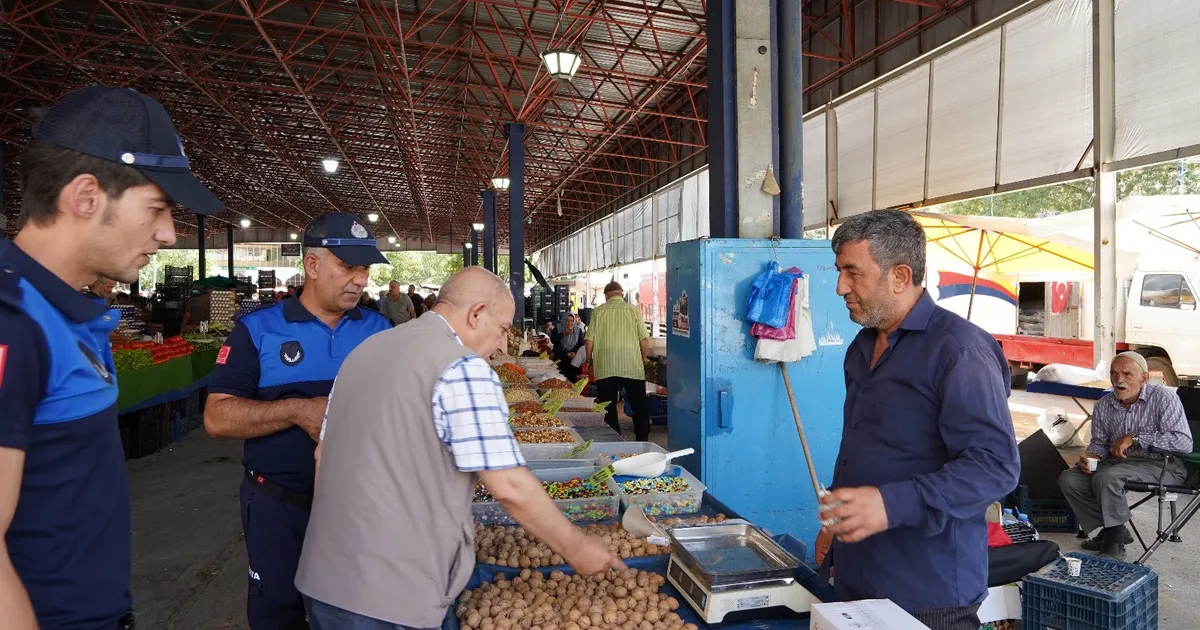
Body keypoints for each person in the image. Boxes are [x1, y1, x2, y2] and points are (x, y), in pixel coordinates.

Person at [0, 84, 222, 629]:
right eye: (156, 209)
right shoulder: (13, 322)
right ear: (85, 197)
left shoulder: (68, 312)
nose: (168, 234)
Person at [296, 267, 625, 629]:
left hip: (323, 579)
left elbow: (321, 457)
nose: (502, 346)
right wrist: (577, 547)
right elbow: (509, 485)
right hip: (389, 596)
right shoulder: (461, 367)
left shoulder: (364, 351)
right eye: (502, 330)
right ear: (476, 314)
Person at [818, 209, 1019, 630]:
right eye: (840, 272)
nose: (840, 287)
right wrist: (838, 529)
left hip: (925, 588)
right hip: (859, 571)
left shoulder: (959, 352)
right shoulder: (862, 346)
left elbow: (994, 466)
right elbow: (868, 448)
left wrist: (890, 504)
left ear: (900, 275)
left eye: (853, 273)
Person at [204, 212, 390, 629]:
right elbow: (217, 418)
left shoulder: (381, 331)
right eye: (349, 266)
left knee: (356, 614)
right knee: (279, 613)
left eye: (366, 269)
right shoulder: (257, 331)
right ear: (312, 265)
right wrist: (295, 409)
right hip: (278, 507)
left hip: (360, 509)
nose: (361, 279)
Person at [1059, 351, 1193, 558]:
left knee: (1107, 477)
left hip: (1163, 465)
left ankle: (1114, 544)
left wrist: (1137, 438)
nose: (1119, 379)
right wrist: (1092, 456)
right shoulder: (1105, 404)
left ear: (1144, 378)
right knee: (1070, 478)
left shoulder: (1164, 399)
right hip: (1119, 463)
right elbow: (1099, 443)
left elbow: (1184, 443)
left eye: (1127, 374)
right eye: (1114, 374)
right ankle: (1116, 529)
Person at [584, 282, 651, 440]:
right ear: (621, 294)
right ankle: (642, 441)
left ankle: (614, 439)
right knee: (639, 406)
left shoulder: (598, 312)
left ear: (606, 295)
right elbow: (644, 339)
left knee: (608, 406)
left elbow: (589, 340)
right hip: (631, 365)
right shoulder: (633, 310)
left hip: (605, 365)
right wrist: (643, 357)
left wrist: (589, 360)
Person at [555, 313, 586, 381]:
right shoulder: (558, 328)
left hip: (572, 360)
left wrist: (575, 352)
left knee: (569, 379)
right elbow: (554, 341)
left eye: (572, 321)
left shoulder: (578, 330)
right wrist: (564, 334)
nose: (570, 323)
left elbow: (581, 344)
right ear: (564, 320)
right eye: (567, 320)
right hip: (560, 359)